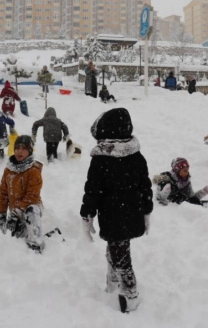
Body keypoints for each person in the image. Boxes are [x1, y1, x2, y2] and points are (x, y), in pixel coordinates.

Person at [80, 108, 153, 313]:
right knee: (118, 247)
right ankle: (113, 281)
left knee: (120, 252)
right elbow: (145, 186)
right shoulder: (137, 156)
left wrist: (87, 214)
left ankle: (130, 293)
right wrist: (146, 210)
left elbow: (92, 189)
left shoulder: (101, 159)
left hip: (112, 214)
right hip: (133, 212)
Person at [0, 135, 45, 253]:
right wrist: (2, 214)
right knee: (14, 237)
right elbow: (3, 193)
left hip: (32, 208)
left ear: (29, 151)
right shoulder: (8, 170)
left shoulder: (33, 171)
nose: (19, 151)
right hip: (15, 213)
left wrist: (15, 214)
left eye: (24, 148)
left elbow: (32, 196)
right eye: (17, 148)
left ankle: (36, 243)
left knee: (31, 211)